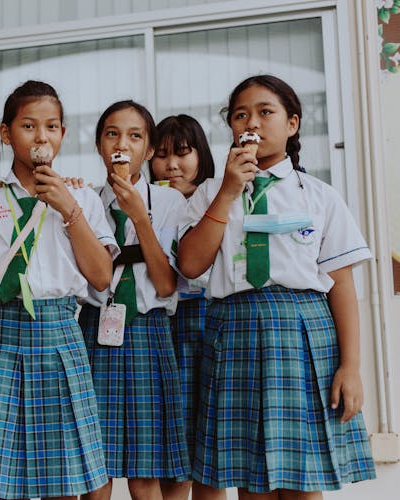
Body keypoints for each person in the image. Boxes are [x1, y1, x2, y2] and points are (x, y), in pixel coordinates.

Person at [177, 75, 377, 499]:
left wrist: (351, 367)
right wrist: (229, 191)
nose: (252, 122)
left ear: (292, 124)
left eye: (266, 112)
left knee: (304, 478)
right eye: (240, 115)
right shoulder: (211, 192)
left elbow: (341, 285)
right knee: (251, 479)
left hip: (303, 335)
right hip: (233, 334)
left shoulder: (320, 196)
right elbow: (192, 264)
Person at [0, 80, 115, 500]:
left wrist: (68, 208)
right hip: (0, 338)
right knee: (6, 483)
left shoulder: (81, 196)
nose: (42, 137)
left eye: (52, 126)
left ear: (62, 133)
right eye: (28, 125)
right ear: (6, 134)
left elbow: (100, 276)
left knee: (64, 482)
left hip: (60, 334)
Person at [78, 101, 190, 500]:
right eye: (112, 134)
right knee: (95, 470)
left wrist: (140, 217)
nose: (121, 144)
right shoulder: (82, 202)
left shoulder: (171, 204)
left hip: (148, 329)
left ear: (149, 148)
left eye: (134, 136)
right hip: (94, 327)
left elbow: (165, 285)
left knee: (146, 473)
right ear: (98, 145)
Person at [150, 115, 225, 500]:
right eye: (161, 155)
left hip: (208, 322)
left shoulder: (216, 195)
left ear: (201, 155)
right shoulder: (142, 199)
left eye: (183, 153)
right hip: (162, 325)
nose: (172, 165)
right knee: (172, 449)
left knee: (211, 453)